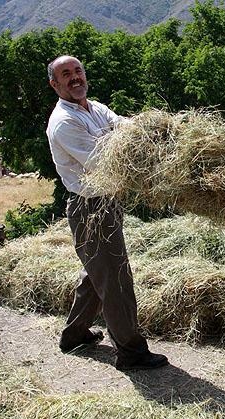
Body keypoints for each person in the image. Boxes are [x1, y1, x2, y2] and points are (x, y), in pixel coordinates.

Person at [46, 55, 168, 371]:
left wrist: (149, 128)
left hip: (106, 203)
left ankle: (74, 335)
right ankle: (131, 352)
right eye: (66, 74)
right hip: (89, 209)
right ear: (55, 84)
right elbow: (102, 162)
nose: (75, 77)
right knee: (114, 278)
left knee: (98, 271)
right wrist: (143, 155)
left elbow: (123, 125)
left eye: (78, 71)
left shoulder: (94, 108)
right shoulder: (64, 122)